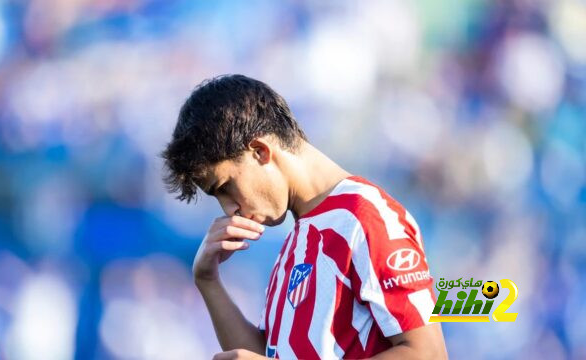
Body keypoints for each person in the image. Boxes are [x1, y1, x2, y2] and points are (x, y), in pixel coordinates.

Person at [161, 74, 447, 359]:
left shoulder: (365, 217)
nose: (229, 209)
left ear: (260, 151)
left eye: (225, 188)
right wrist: (208, 281)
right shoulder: (298, 240)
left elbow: (429, 354)